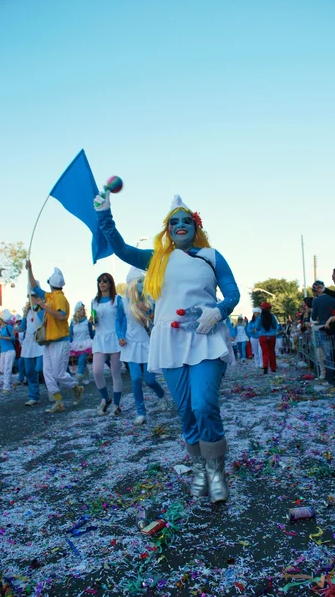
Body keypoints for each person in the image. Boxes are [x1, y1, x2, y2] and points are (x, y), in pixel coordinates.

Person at [94, 192, 240, 503]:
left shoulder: (211, 256)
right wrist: (105, 214)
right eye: (174, 222)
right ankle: (200, 467)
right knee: (186, 410)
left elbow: (232, 293)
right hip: (169, 342)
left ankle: (216, 471)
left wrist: (219, 310)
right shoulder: (156, 259)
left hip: (205, 338)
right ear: (168, 229)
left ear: (195, 225)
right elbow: (119, 248)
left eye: (186, 220)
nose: (180, 225)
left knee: (203, 405)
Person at [25, 262, 84, 413]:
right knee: (48, 373)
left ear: (51, 283)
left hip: (60, 341)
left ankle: (76, 388)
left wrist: (44, 306)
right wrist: (30, 269)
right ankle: (58, 402)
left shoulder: (60, 299)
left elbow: (61, 316)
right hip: (49, 342)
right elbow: (34, 286)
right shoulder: (50, 296)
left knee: (58, 374)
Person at [120, 268, 166, 424]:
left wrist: (148, 310)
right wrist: (120, 336)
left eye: (142, 281)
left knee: (150, 380)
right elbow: (119, 321)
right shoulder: (123, 301)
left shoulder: (150, 299)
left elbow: (157, 318)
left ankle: (161, 396)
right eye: (139, 282)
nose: (141, 284)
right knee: (136, 379)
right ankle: (141, 412)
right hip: (131, 345)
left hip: (148, 343)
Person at [91, 273, 124, 416]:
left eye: (105, 281)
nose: (101, 283)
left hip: (114, 338)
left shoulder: (117, 300)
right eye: (99, 281)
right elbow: (93, 320)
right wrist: (92, 321)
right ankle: (106, 398)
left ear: (110, 283)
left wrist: (122, 336)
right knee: (96, 371)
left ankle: (116, 405)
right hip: (99, 338)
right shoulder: (94, 301)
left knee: (115, 373)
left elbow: (123, 319)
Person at [18, 287, 45, 405]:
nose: (32, 299)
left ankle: (53, 391)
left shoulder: (43, 310)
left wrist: (39, 309)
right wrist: (17, 328)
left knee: (42, 368)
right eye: (30, 297)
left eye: (34, 297)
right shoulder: (26, 312)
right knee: (29, 371)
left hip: (40, 342)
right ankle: (34, 396)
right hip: (28, 344)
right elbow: (23, 326)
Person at [69, 302, 94, 386]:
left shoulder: (87, 322)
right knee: (82, 362)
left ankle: (78, 378)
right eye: (80, 309)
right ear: (76, 311)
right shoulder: (73, 322)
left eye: (83, 309)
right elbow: (70, 334)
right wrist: (69, 343)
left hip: (86, 343)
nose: (82, 311)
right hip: (76, 344)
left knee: (81, 360)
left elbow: (91, 333)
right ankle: (86, 377)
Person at [256, 302, 278, 373]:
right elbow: (275, 326)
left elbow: (257, 327)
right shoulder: (272, 316)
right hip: (272, 336)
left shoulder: (260, 317)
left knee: (265, 352)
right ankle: (273, 368)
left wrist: (260, 332)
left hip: (263, 336)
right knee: (272, 352)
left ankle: (265, 367)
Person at [0, 310, 16, 393]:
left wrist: (3, 337)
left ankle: (6, 388)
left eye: (0, 319)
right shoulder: (1, 328)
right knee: (2, 369)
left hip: (10, 350)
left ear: (3, 320)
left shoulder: (9, 327)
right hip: (3, 350)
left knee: (7, 368)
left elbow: (13, 338)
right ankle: (12, 382)